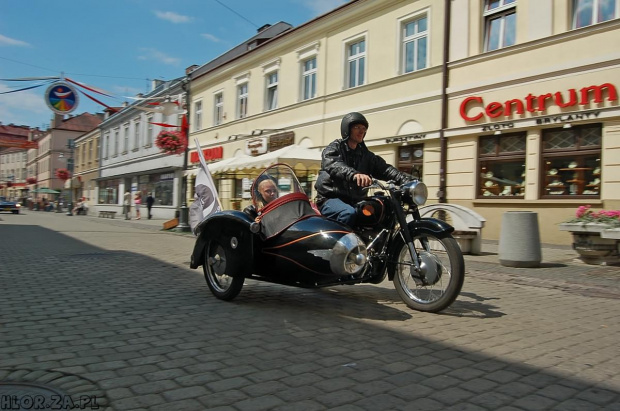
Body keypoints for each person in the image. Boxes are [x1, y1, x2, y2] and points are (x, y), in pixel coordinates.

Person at [315, 112, 413, 227]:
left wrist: (407, 180)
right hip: (330, 199)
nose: (361, 131)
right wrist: (354, 174)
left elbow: (385, 169)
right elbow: (333, 164)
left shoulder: (365, 155)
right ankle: (340, 244)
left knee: (383, 210)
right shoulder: (335, 148)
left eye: (363, 128)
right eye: (357, 128)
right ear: (347, 129)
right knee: (348, 213)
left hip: (355, 200)